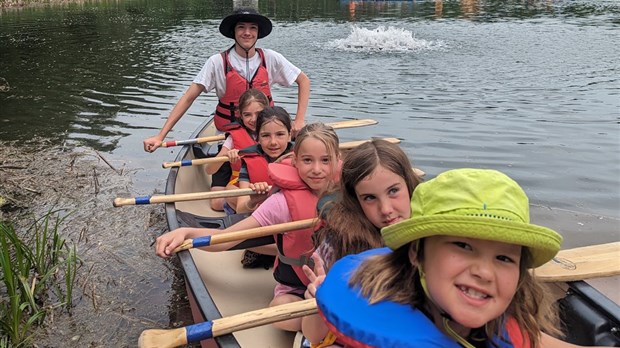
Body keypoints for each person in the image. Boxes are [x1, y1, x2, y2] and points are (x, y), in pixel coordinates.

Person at [314, 168, 606, 348]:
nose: (484, 272)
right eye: (463, 246)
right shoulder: (376, 321)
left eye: (504, 258)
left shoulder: (505, 323)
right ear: (417, 253)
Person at [155, 123, 341, 333]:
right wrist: (185, 232)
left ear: (337, 160)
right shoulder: (280, 203)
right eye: (308, 160)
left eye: (325, 160)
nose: (317, 169)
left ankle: (331, 317)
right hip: (298, 287)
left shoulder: (349, 194)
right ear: (295, 160)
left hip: (339, 278)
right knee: (280, 313)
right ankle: (326, 324)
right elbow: (227, 238)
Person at [300, 139, 422, 347]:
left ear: (409, 185)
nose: (386, 209)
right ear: (355, 201)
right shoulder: (339, 243)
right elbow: (313, 336)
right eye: (369, 198)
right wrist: (320, 298)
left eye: (393, 191)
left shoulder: (436, 239)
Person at [143, 7, 310, 153]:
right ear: (234, 32)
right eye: (241, 28)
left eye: (253, 28)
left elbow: (303, 81)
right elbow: (188, 98)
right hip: (228, 136)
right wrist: (161, 135)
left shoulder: (271, 58)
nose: (247, 33)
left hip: (266, 134)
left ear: (258, 33)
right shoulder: (217, 62)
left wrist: (299, 120)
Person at [205, 88, 270, 211]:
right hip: (240, 184)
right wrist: (226, 156)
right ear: (240, 114)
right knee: (224, 197)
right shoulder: (233, 138)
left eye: (259, 114)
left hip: (267, 184)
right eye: (247, 115)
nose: (253, 119)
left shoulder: (274, 134)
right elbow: (209, 170)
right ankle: (256, 210)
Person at [227, 105, 294, 215]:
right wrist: (253, 201)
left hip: (292, 221)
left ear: (289, 135)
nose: (273, 142)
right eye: (266, 135)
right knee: (229, 192)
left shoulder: (301, 159)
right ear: (258, 138)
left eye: (280, 134)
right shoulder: (249, 162)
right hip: (264, 219)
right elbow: (241, 209)